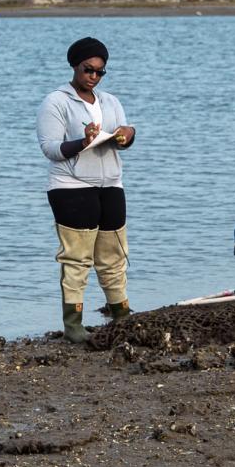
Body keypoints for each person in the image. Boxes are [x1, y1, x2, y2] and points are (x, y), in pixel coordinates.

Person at [36, 37, 136, 342]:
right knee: (77, 258)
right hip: (70, 187)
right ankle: (74, 325)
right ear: (75, 66)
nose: (93, 76)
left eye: (100, 71)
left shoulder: (111, 102)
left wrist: (127, 135)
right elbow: (50, 149)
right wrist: (83, 140)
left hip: (111, 184)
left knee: (114, 254)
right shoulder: (56, 102)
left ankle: (121, 314)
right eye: (88, 69)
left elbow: (124, 136)